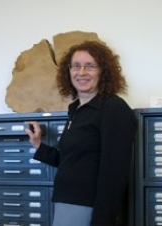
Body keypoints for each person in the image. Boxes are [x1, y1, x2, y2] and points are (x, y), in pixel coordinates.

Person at [25, 40, 137, 226]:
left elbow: (115, 172)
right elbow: (70, 160)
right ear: (68, 72)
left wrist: (103, 219)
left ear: (104, 71)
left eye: (90, 66)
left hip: (89, 206)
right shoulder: (76, 109)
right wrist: (38, 145)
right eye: (76, 66)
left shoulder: (113, 108)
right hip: (65, 201)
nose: (81, 72)